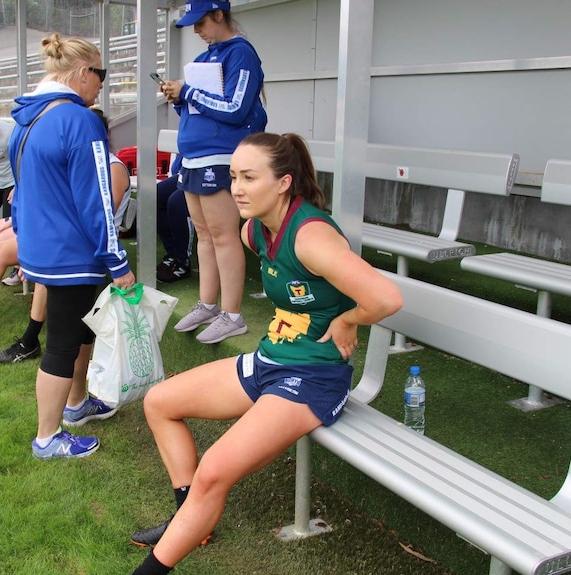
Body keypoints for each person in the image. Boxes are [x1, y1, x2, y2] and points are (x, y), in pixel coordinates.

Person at [127, 132, 403, 575]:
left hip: (312, 378)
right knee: (159, 402)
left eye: (249, 177)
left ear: (283, 183)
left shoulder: (311, 235)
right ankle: (190, 517)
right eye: (233, 176)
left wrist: (348, 320)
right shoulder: (254, 229)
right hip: (269, 362)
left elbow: (386, 298)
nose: (236, 187)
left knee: (214, 470)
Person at [0, 106, 132, 367]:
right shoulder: (80, 163)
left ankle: (29, 341)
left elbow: (98, 217)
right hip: (60, 237)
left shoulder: (112, 168)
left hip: (82, 245)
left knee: (44, 276)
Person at [12, 33, 135, 460]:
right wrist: (117, 261)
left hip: (46, 248)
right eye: (99, 74)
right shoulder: (78, 120)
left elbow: (24, 191)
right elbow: (98, 199)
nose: (101, 83)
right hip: (70, 253)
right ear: (82, 73)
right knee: (63, 343)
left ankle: (77, 407)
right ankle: (47, 438)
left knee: (81, 332)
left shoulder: (29, 117)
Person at [159, 0, 267, 343]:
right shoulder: (206, 56)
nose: (196, 29)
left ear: (219, 15)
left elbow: (235, 109)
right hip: (192, 158)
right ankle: (207, 304)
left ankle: (232, 314)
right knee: (204, 236)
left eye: (201, 21)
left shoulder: (241, 53)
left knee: (222, 236)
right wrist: (181, 100)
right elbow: (202, 113)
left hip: (221, 159)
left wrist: (188, 91)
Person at [156, 155, 194, 283]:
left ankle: (183, 261)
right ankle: (173, 254)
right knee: (155, 195)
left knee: (176, 202)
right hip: (189, 168)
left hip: (215, 166)